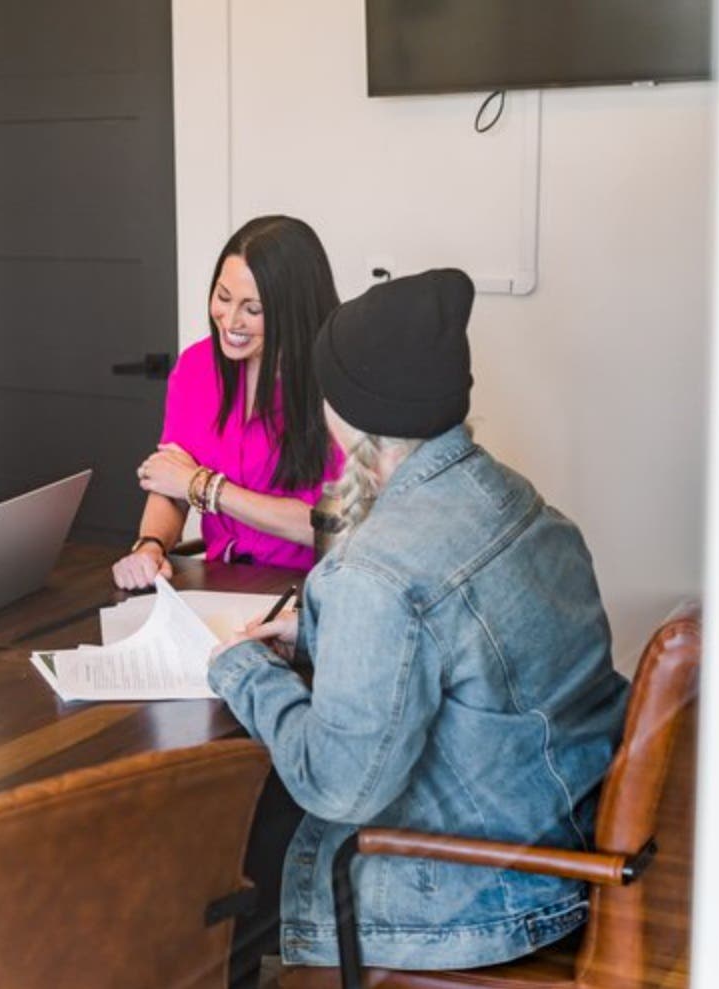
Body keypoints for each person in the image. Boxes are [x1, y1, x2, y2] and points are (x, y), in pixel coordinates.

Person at [208, 269, 630, 970]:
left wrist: (241, 668)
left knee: (232, 866)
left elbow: (341, 784)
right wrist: (314, 630)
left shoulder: (374, 569)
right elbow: (455, 632)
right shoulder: (514, 499)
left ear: (352, 415)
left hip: (480, 893)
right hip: (569, 842)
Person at [111, 215, 344, 590]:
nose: (229, 321)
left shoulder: (338, 385)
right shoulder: (196, 368)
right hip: (221, 585)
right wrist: (150, 545)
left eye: (253, 309)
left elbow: (330, 524)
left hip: (311, 595)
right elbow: (171, 482)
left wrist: (206, 488)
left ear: (293, 310)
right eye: (222, 297)